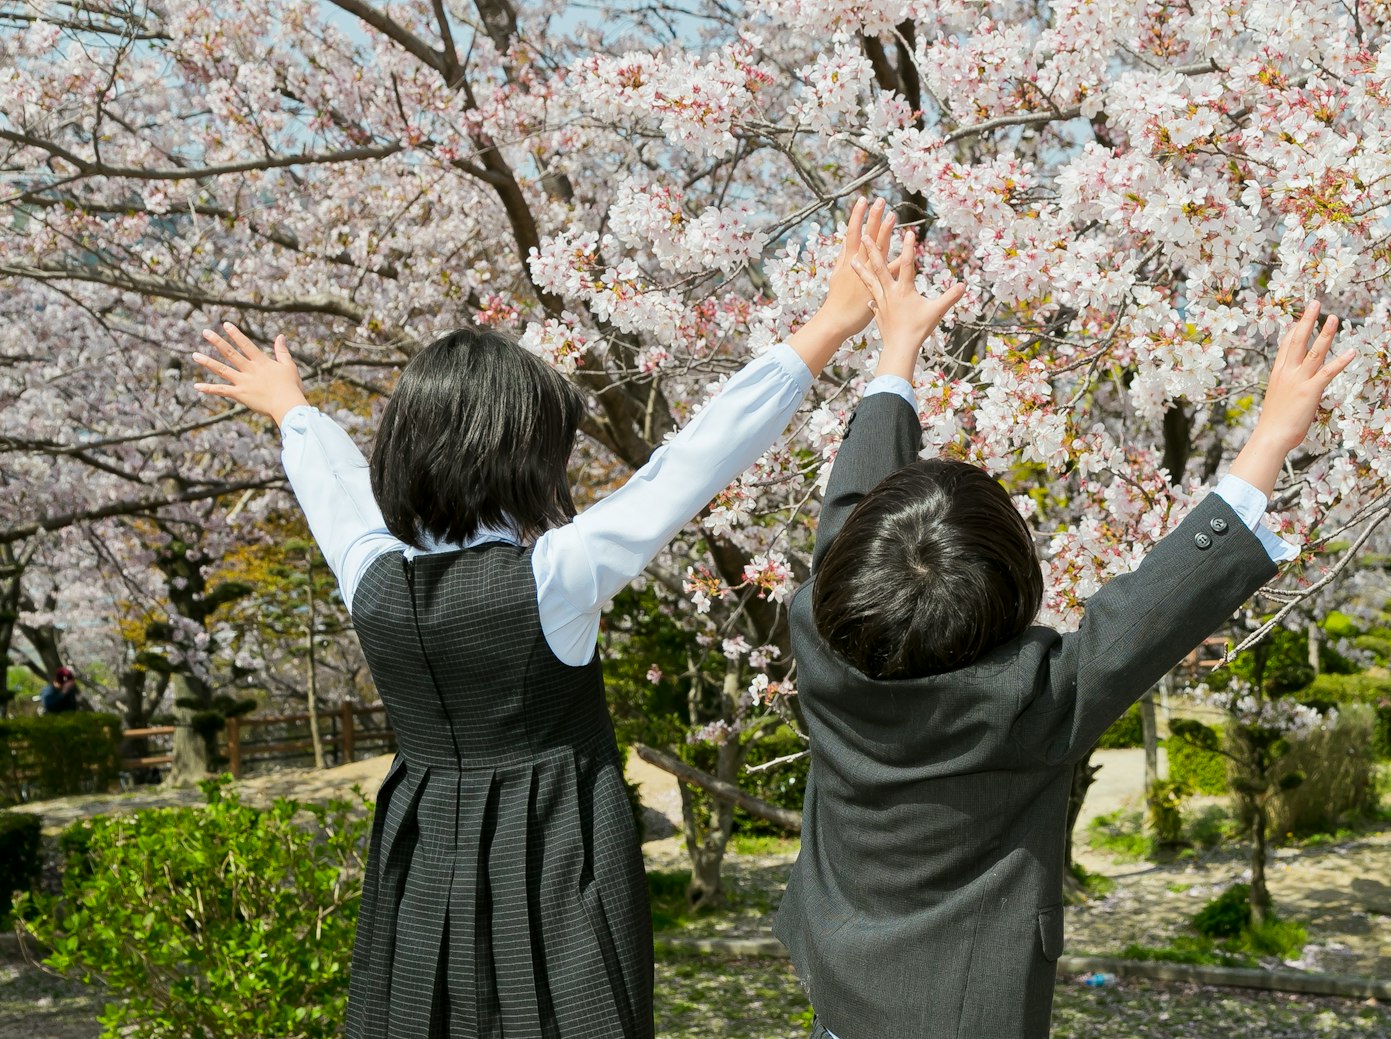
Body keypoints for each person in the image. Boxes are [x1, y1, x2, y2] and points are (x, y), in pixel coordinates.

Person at [189, 199, 902, 1039]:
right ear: (522, 457)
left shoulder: (372, 576)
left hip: (421, 852)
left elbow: (334, 489)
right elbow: (687, 465)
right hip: (560, 852)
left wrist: (291, 408)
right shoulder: (553, 576)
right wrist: (825, 327)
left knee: (421, 1014)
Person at [774, 228, 1357, 1039]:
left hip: (839, 985)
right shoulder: (1028, 700)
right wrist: (1269, 440)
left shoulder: (816, 629)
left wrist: (895, 352)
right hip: (966, 1015)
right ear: (1013, 589)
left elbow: (848, 516)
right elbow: (1155, 609)